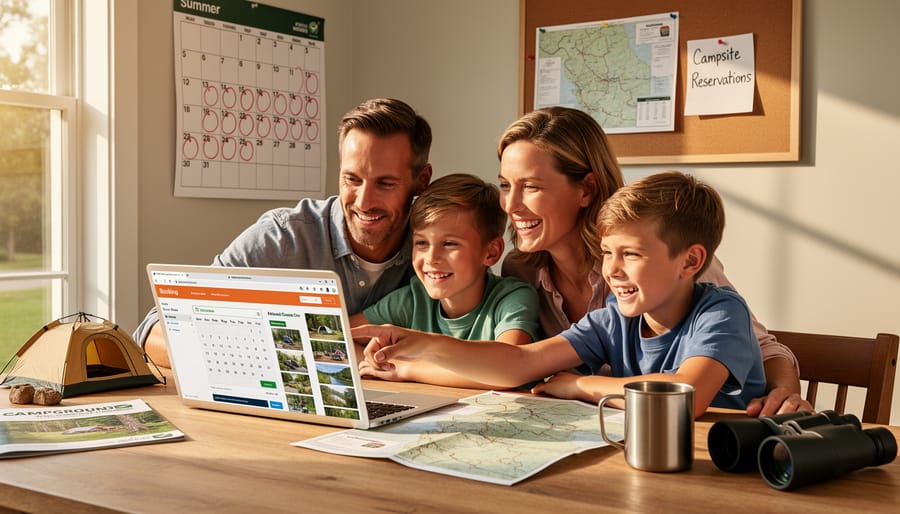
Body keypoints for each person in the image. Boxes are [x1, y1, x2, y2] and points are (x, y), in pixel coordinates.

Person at [356, 171, 767, 416]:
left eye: (631, 254)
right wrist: (422, 345)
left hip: (729, 468)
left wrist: (581, 387)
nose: (613, 269)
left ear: (690, 262)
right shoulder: (613, 318)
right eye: (607, 253)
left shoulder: (719, 311)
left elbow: (685, 398)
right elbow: (518, 364)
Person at [495, 106, 811, 417]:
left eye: (531, 187)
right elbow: (522, 362)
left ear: (587, 189)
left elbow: (759, 347)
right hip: (603, 428)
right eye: (505, 186)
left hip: (680, 430)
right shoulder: (521, 270)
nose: (510, 205)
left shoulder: (671, 263)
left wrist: (786, 392)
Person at [134, 98, 433, 367]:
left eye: (385, 184)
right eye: (352, 179)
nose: (364, 202)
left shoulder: (440, 249)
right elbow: (155, 332)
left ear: (421, 180)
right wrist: (282, 354)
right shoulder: (282, 237)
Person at [350, 173, 541, 387]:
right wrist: (380, 363)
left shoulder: (513, 298)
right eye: (421, 243)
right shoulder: (413, 299)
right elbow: (337, 336)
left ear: (491, 252)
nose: (431, 258)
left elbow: (507, 370)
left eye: (449, 244)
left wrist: (409, 369)